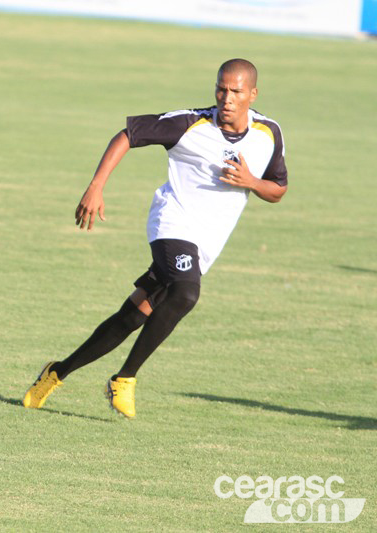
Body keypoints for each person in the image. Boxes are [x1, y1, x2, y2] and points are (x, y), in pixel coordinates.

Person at [23, 58, 287, 418]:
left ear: (252, 94)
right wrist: (96, 186)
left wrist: (252, 182)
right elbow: (127, 135)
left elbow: (278, 189)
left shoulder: (269, 133)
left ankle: (56, 372)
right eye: (220, 89)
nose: (226, 98)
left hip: (206, 244)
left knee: (133, 316)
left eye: (236, 91)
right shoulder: (188, 123)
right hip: (173, 224)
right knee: (186, 292)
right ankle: (125, 379)